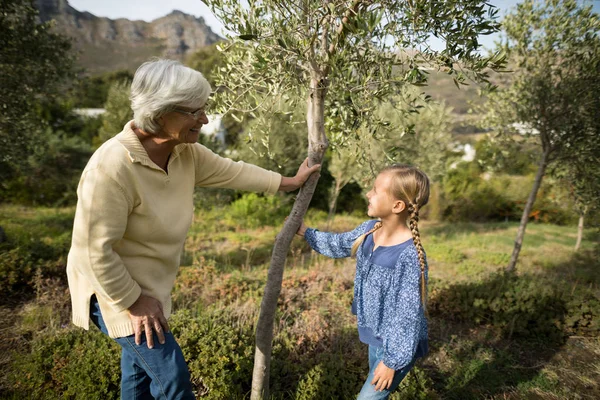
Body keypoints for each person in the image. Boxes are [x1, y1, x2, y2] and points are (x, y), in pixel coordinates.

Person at [66, 58, 320, 400]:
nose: (204, 119)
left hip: (148, 288)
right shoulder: (111, 168)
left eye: (205, 108)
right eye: (194, 111)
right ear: (159, 114)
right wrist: (134, 301)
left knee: (138, 378)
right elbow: (93, 251)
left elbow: (234, 171)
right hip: (112, 289)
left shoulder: (186, 153)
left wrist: (289, 182)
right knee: (173, 380)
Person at [296, 164, 430, 400]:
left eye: (376, 190)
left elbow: (407, 314)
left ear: (397, 206)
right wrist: (306, 232)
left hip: (398, 346)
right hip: (375, 337)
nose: (368, 194)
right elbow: (339, 244)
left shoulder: (408, 255)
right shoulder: (369, 230)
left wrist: (391, 362)